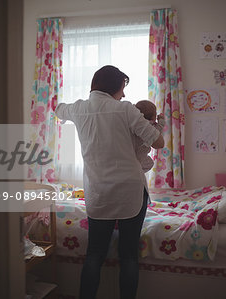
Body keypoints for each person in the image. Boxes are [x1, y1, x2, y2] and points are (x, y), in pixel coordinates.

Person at [54, 65, 164, 299]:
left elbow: (58, 109)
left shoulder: (79, 108)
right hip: (130, 192)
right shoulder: (125, 110)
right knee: (129, 256)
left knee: (94, 254)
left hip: (98, 192)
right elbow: (158, 142)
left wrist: (65, 112)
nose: (124, 94)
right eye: (123, 88)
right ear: (114, 86)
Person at [133, 100, 165, 173]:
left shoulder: (134, 123)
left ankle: (135, 171)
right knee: (150, 163)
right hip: (140, 155)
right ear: (153, 117)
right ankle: (137, 172)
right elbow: (157, 133)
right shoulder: (148, 126)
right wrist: (161, 121)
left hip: (130, 153)